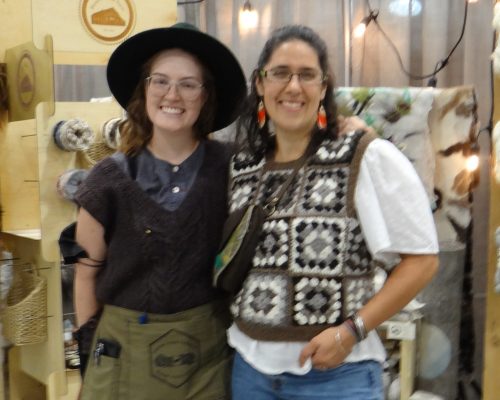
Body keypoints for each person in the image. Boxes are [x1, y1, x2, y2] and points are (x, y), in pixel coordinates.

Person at [227, 25, 439, 400]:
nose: (293, 87)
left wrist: (350, 331)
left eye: (307, 75)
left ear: (324, 88)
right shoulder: (243, 165)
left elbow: (422, 261)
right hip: (250, 372)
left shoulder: (363, 156)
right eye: (280, 73)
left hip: (337, 378)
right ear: (260, 83)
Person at [72, 23, 247, 400]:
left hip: (209, 356)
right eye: (161, 81)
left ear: (206, 96)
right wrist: (89, 355)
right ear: (144, 90)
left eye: (188, 83)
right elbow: (86, 275)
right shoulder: (108, 179)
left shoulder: (235, 168)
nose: (173, 94)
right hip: (122, 354)